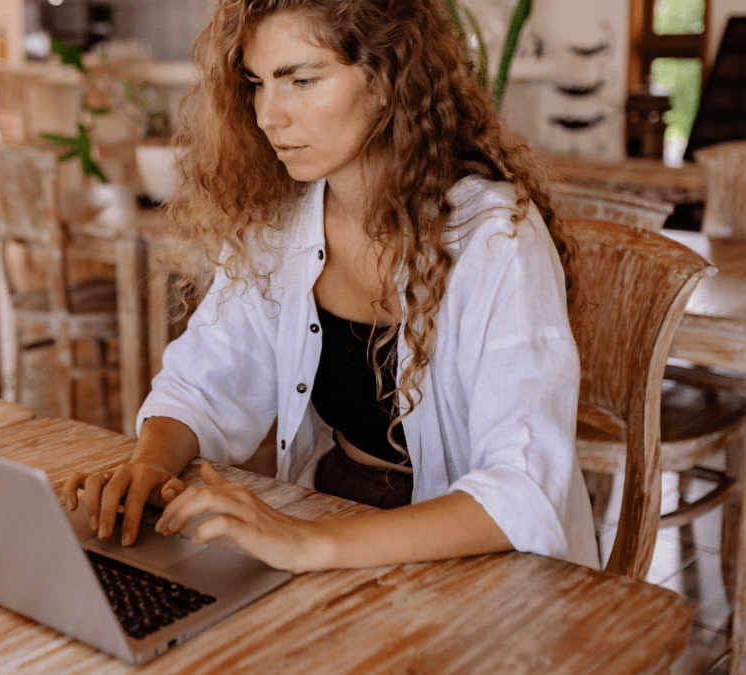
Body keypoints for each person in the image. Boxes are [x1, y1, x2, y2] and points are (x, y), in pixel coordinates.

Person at [62, 0, 600, 573]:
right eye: (257, 83)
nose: (268, 115)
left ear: (387, 78)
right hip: (334, 506)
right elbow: (203, 382)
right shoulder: (281, 220)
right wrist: (150, 465)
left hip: (476, 558)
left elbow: (521, 491)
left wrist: (308, 544)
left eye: (300, 80)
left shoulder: (495, 238)